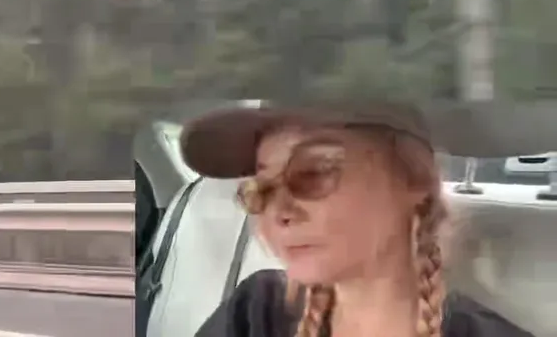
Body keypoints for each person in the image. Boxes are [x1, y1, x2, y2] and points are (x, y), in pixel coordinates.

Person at [180, 100, 536, 337]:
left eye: (314, 172)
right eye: (262, 189)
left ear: (413, 179)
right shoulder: (254, 314)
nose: (279, 211)